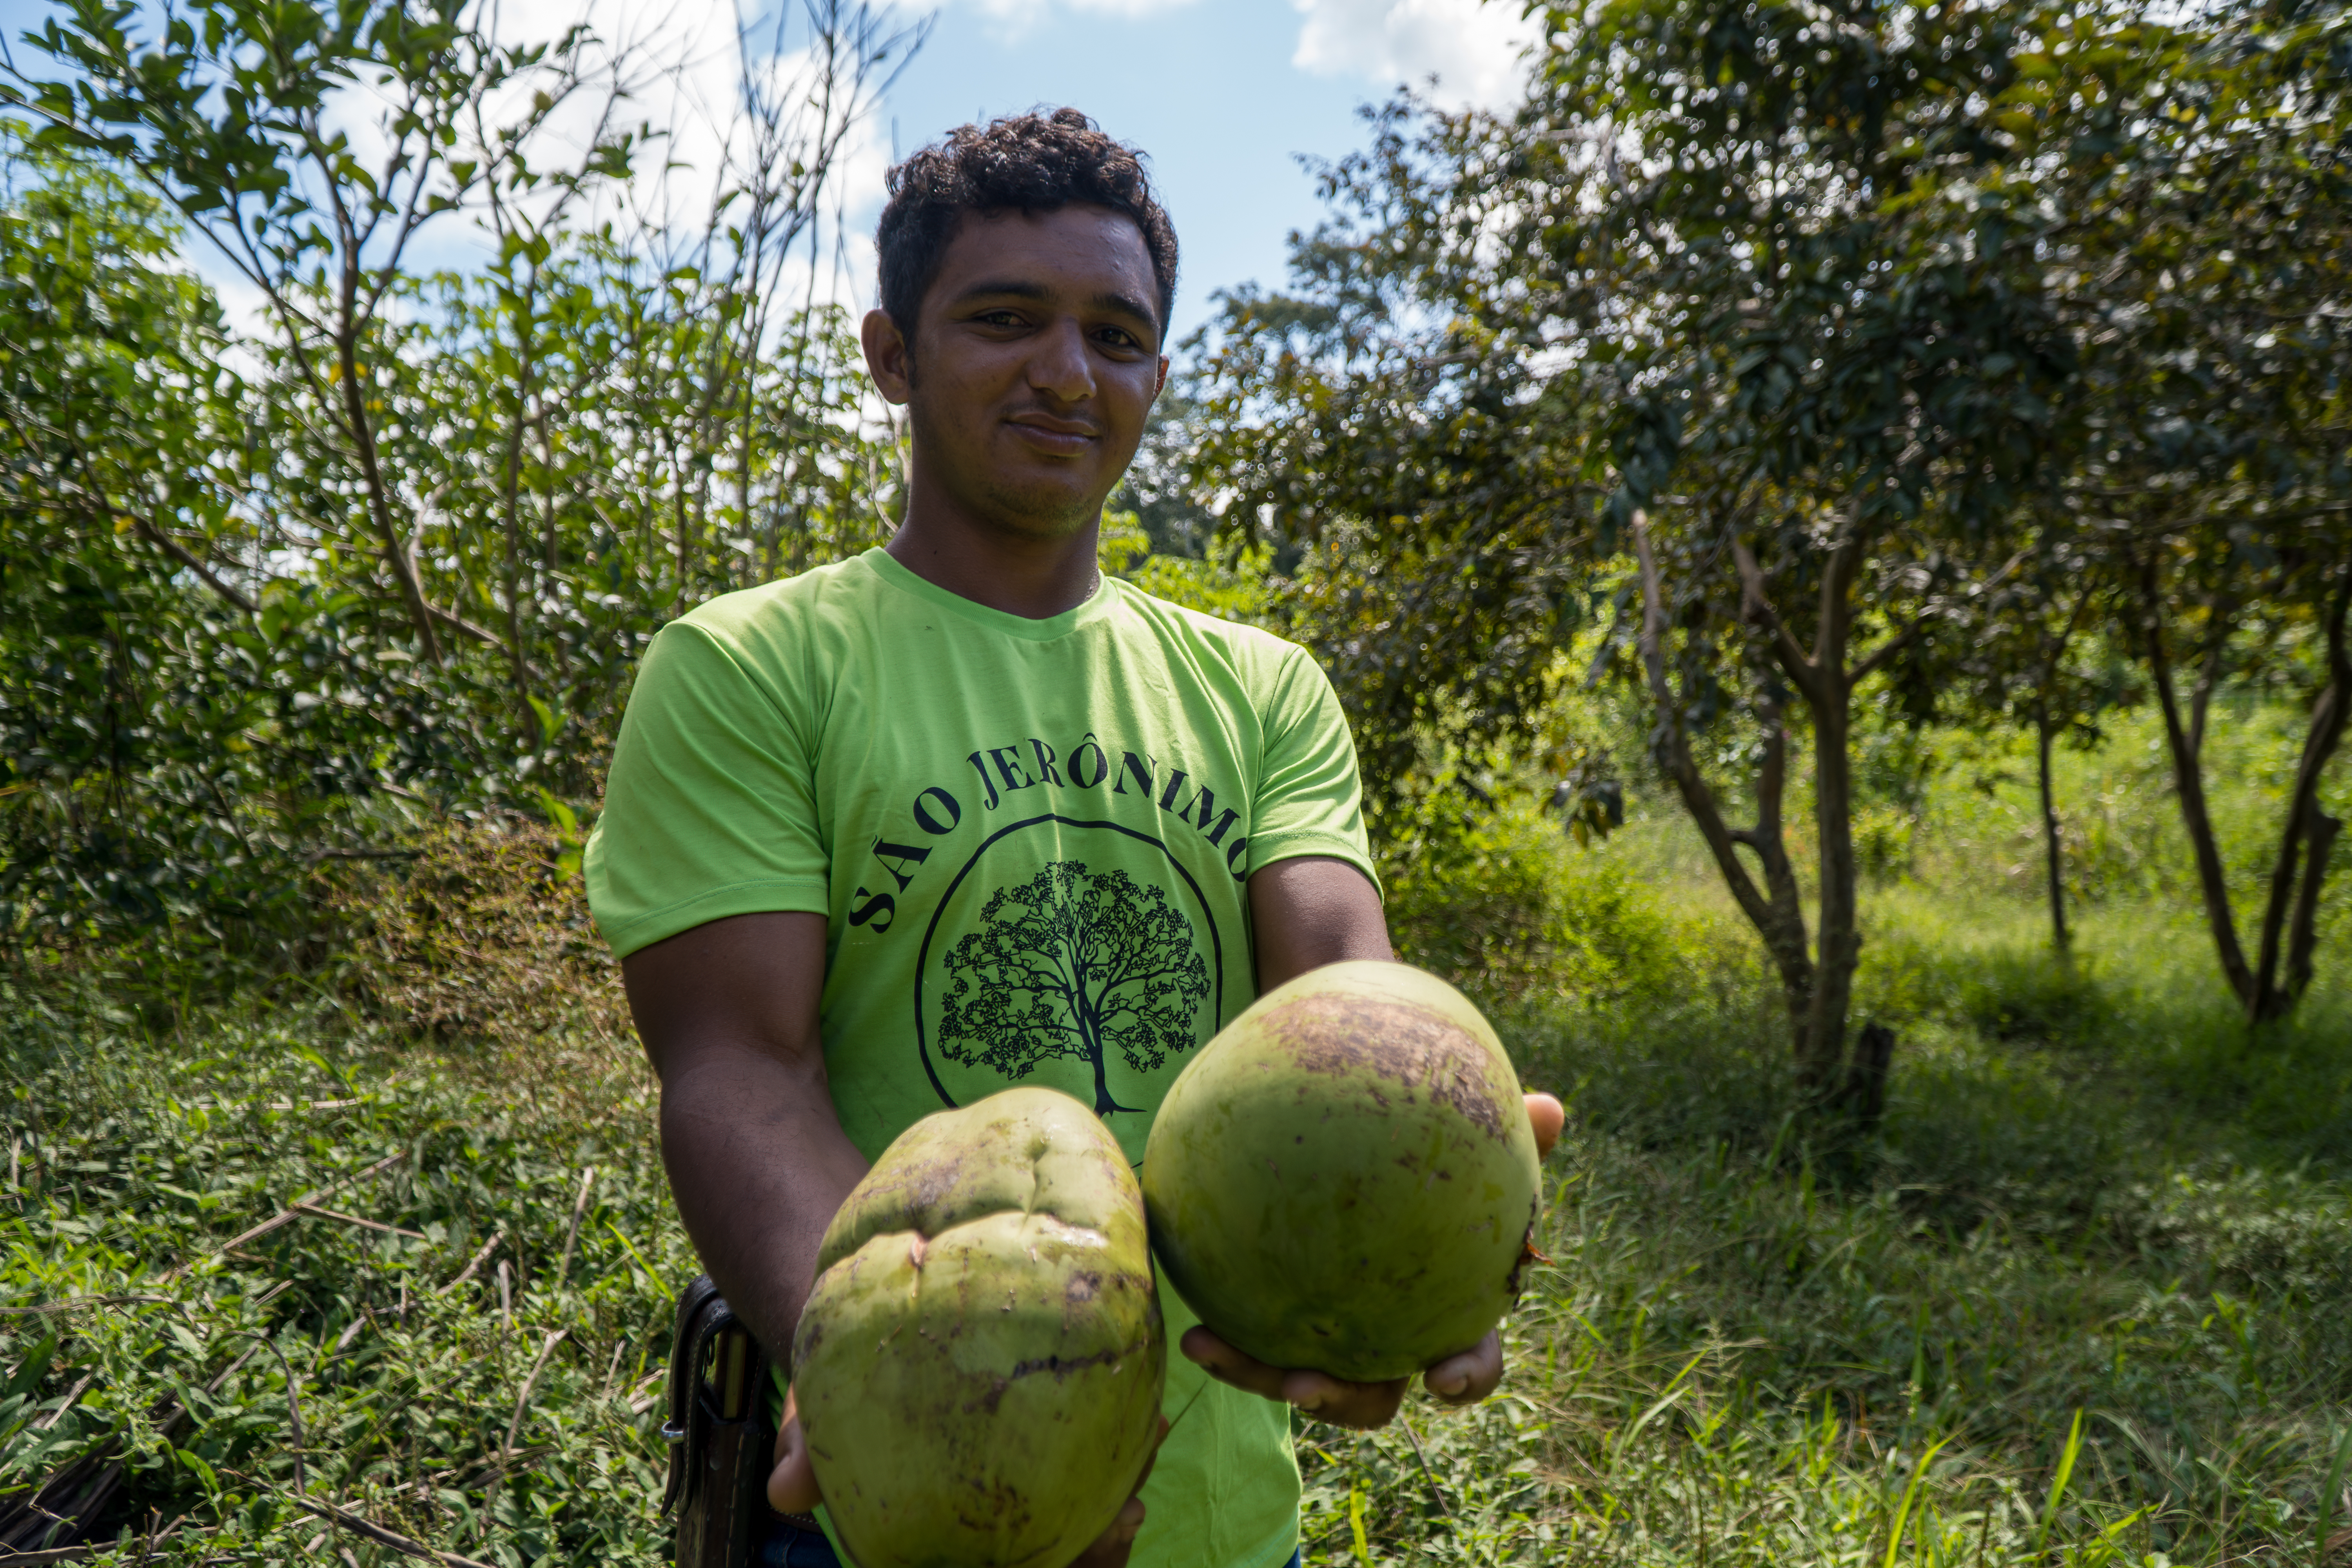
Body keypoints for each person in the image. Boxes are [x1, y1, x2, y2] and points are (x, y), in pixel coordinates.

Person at [586, 107, 1563, 1568]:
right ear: (890, 356)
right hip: (900, 1501)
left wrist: (1453, 1185)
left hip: (1229, 1513)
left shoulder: (1261, 687)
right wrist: (882, 1385)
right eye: (1004, 319)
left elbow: (1347, 1014)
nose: (1067, 371)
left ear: (1157, 377)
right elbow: (742, 1070)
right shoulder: (751, 667)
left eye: (1116, 334)